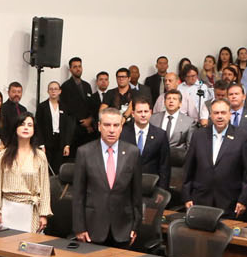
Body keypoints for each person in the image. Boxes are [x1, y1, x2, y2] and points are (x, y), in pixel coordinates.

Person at [72, 108, 142, 246]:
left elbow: (136, 193)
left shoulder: (132, 153)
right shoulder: (84, 152)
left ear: (121, 127)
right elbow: (78, 194)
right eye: (107, 125)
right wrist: (79, 227)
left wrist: (136, 226)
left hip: (123, 227)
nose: (111, 130)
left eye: (116, 125)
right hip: (92, 227)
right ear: (99, 126)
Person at [182, 98, 247, 217]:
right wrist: (187, 196)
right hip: (200, 199)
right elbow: (189, 168)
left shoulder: (242, 137)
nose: (219, 116)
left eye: (223, 113)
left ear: (230, 114)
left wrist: (243, 200)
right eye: (216, 113)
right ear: (210, 115)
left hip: (229, 201)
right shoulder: (199, 135)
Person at [0, 112, 51, 233]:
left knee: (28, 243)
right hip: (8, 207)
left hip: (30, 209)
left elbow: (45, 187)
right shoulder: (3, 155)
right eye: (22, 124)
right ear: (15, 128)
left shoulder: (40, 156)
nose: (26, 127)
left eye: (30, 125)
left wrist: (43, 214)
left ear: (34, 130)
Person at [119, 98, 170, 187]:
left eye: (146, 111)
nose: (143, 115)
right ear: (133, 114)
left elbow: (164, 166)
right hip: (127, 185)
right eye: (139, 112)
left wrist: (162, 190)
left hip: (152, 185)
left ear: (150, 113)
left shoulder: (160, 135)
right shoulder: (122, 133)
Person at [37, 78, 74, 170]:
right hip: (47, 141)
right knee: (46, 168)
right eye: (51, 89)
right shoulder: (42, 107)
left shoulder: (65, 107)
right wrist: (41, 144)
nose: (53, 91)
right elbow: (38, 126)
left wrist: (67, 144)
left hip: (60, 141)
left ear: (60, 91)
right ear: (48, 91)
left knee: (58, 167)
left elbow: (68, 127)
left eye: (56, 89)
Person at [60, 58, 98, 145]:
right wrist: (83, 122)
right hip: (74, 128)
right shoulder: (65, 86)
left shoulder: (87, 85)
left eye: (79, 66)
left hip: (88, 129)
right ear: (70, 70)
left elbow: (90, 105)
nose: (78, 69)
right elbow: (67, 108)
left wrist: (90, 119)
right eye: (75, 67)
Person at [154, 88, 194, 153]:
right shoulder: (153, 119)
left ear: (180, 104)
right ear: (164, 102)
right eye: (168, 98)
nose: (171, 101)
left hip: (178, 157)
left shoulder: (189, 122)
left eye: (174, 99)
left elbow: (190, 147)